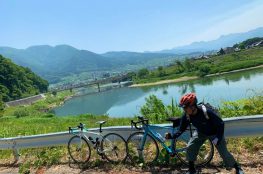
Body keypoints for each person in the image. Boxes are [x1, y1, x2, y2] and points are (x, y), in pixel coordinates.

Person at [165, 93, 244, 174]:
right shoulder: (187, 115)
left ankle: (237, 167)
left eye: (185, 108)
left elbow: (220, 124)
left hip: (214, 133)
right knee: (190, 147)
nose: (184, 110)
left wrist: (218, 138)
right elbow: (181, 130)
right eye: (183, 108)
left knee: (224, 153)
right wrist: (172, 136)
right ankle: (192, 170)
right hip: (201, 132)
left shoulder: (206, 112)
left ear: (193, 106)